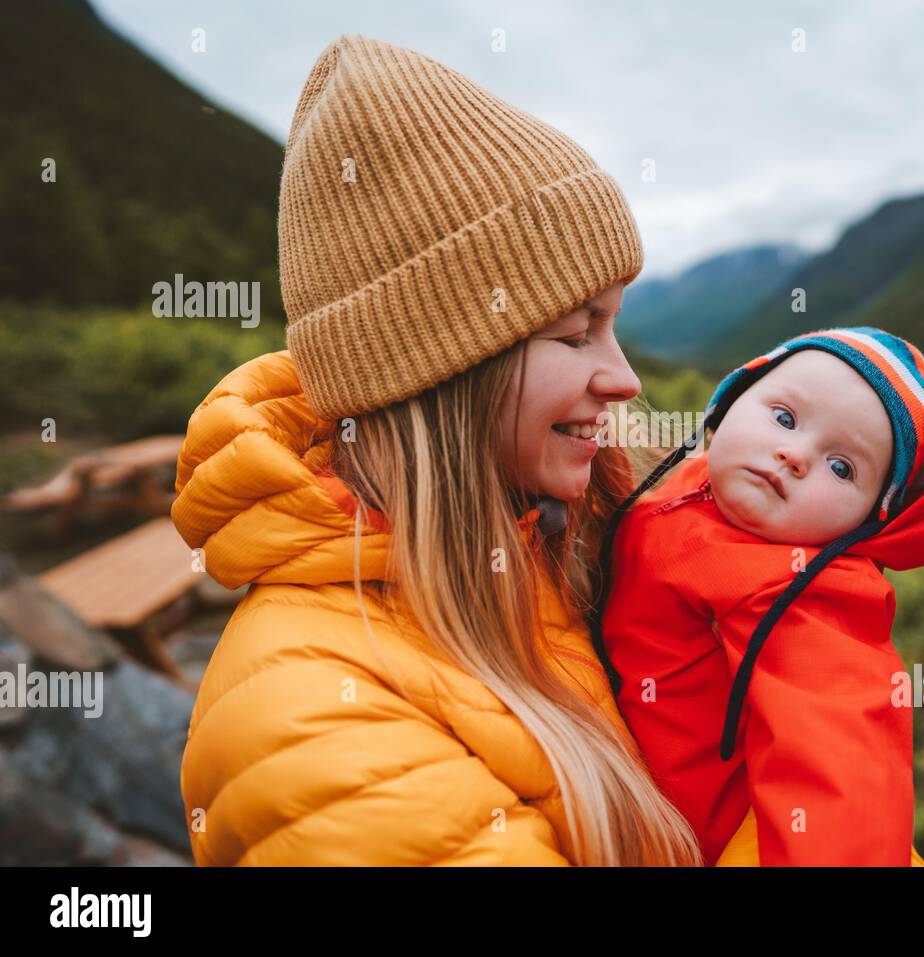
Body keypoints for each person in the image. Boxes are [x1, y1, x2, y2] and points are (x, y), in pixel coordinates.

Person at [172, 33, 709, 866]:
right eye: (575, 334)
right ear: (443, 378)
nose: (625, 378)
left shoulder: (568, 542)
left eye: (615, 323)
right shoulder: (316, 720)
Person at [594, 327, 924, 865]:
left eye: (842, 468)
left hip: (687, 841)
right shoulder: (692, 487)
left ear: (868, 518)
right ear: (730, 402)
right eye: (785, 418)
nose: (794, 455)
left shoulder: (809, 594)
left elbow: (841, 768)